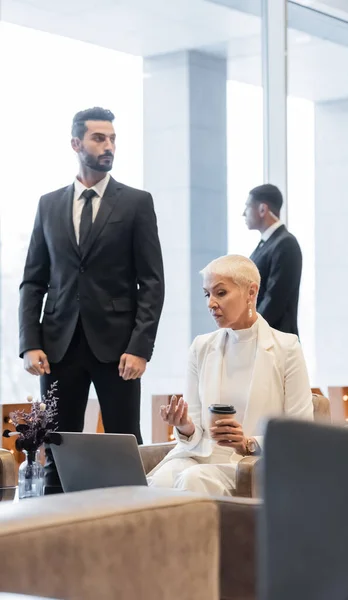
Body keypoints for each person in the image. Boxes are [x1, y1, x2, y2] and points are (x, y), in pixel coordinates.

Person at [19, 107, 164, 492]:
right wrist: (30, 343)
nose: (109, 146)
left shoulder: (136, 203)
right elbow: (33, 281)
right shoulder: (48, 205)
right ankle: (55, 531)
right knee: (56, 444)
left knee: (124, 441)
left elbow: (151, 282)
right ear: (76, 143)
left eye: (113, 138)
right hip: (58, 347)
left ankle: (132, 528)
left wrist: (140, 347)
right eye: (99, 138)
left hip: (119, 351)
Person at [147, 255, 312, 496]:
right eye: (207, 294)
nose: (211, 303)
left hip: (252, 463)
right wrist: (184, 426)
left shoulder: (286, 348)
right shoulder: (201, 347)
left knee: (193, 479)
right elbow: (193, 435)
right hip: (200, 457)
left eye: (220, 293)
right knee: (159, 483)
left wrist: (247, 443)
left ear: (251, 293)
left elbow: (300, 434)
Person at [244, 184, 302, 336]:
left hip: (277, 343)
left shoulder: (285, 244)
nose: (244, 213)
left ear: (263, 209)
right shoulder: (266, 244)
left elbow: (274, 299)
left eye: (248, 207)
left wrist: (247, 330)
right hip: (263, 340)